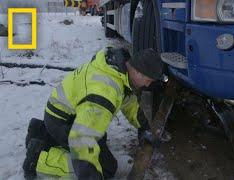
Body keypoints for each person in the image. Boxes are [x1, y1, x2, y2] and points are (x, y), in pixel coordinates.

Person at [23, 47, 164, 179]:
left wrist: (144, 127)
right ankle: (38, 160)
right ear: (138, 72)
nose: (147, 85)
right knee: (106, 168)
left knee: (99, 134)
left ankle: (41, 132)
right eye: (148, 80)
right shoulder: (105, 93)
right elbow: (82, 140)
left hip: (63, 113)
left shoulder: (118, 70)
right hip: (62, 122)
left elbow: (129, 103)